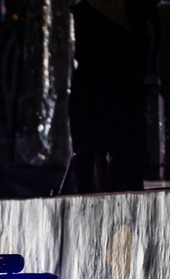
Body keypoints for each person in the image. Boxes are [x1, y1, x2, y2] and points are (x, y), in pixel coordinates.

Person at [68, 0, 159, 193]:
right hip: (123, 83)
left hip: (97, 85)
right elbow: (150, 36)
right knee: (125, 162)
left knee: (92, 158)